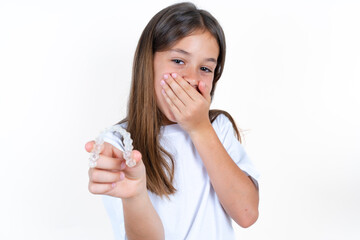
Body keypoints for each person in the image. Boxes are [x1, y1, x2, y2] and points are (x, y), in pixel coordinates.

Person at [85, 2, 259, 240]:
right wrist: (134, 194)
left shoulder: (217, 127)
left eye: (205, 68)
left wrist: (199, 128)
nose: (191, 78)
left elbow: (246, 213)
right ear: (148, 64)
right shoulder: (119, 143)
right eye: (178, 61)